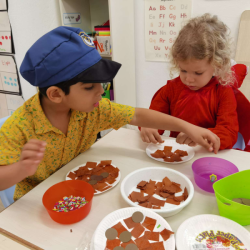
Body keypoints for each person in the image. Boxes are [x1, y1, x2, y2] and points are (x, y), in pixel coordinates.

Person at [0, 26, 219, 200]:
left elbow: (138, 115)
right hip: (38, 204)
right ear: (56, 94)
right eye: (89, 87)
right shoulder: (18, 127)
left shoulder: (94, 110)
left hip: (83, 189)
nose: (101, 91)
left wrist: (187, 126)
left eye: (102, 83)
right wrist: (22, 169)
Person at [140, 13, 238, 149]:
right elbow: (151, 118)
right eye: (183, 70)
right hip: (177, 153)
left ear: (217, 65)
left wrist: (202, 137)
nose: (188, 79)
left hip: (206, 156)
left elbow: (229, 132)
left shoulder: (222, 92)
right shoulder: (171, 90)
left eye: (198, 73)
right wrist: (148, 126)